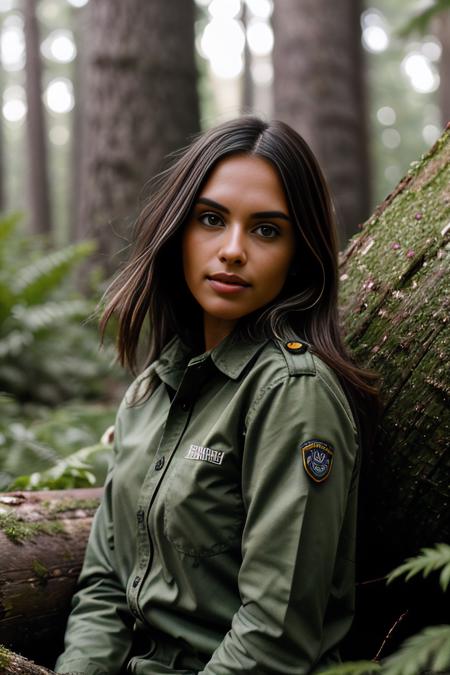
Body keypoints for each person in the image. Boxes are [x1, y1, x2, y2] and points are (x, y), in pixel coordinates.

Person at [55, 116, 379, 675]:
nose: (232, 250)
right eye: (211, 219)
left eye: (267, 230)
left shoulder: (292, 395)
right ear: (178, 228)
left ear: (299, 254)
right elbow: (105, 586)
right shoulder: (151, 390)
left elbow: (275, 637)